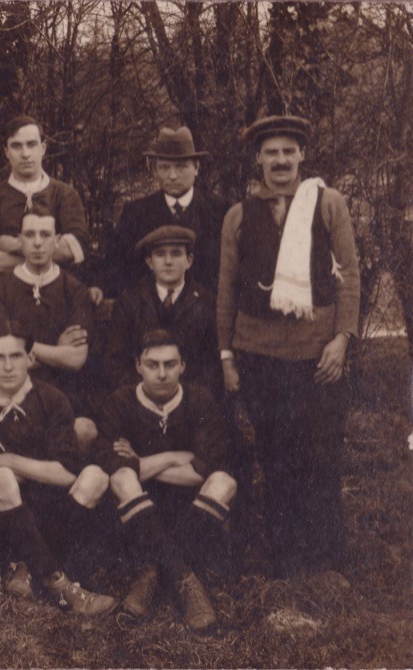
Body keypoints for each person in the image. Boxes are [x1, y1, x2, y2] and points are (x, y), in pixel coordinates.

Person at [217, 115, 360, 580]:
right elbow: (226, 291)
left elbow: (351, 277)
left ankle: (327, 558)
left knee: (320, 453)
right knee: (276, 456)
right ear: (257, 158)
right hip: (260, 357)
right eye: (271, 152)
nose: (280, 160)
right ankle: (286, 556)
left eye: (288, 151)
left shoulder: (328, 204)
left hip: (319, 357)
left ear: (302, 155)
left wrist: (341, 340)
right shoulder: (238, 215)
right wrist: (227, 356)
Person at [0, 320, 115, 615]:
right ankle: (60, 584)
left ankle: (27, 568)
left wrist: (8, 460)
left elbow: (66, 472)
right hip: (1, 515)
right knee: (2, 479)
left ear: (30, 358)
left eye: (16, 356)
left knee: (96, 477)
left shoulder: (51, 399)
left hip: (51, 509)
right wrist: (18, 472)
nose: (8, 366)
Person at [95, 330, 236, 630]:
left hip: (190, 511)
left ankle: (153, 574)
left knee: (224, 482)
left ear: (183, 365)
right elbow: (111, 463)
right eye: (152, 364)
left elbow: (205, 467)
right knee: (121, 477)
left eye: (170, 364)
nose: (161, 373)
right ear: (138, 366)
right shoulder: (120, 402)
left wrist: (139, 461)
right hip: (138, 517)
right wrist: (176, 457)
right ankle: (185, 579)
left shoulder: (200, 400)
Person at [0, 205, 97, 449]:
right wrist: (56, 349)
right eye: (30, 235)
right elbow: (2, 357)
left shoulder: (74, 289)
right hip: (11, 391)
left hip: (61, 392)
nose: (37, 243)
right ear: (19, 240)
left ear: (56, 241)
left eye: (45, 235)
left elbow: (75, 358)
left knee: (84, 430)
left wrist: (22, 348)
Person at [103, 126, 227, 298]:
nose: (173, 175)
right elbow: (115, 268)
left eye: (181, 167)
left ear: (196, 168)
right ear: (155, 170)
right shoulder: (135, 213)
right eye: (165, 167)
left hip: (204, 317)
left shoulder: (220, 211)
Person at [0, 116, 89, 283]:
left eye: (31, 144)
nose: (25, 154)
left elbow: (73, 251)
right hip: (6, 297)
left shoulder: (66, 195)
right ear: (6, 152)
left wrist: (13, 245)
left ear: (43, 148)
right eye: (16, 146)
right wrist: (47, 251)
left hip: (56, 296)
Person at [105, 226, 219, 394]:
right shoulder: (129, 301)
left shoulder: (207, 302)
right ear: (150, 262)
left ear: (189, 260)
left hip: (191, 402)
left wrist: (185, 399)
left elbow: (212, 364)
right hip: (140, 399)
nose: (168, 261)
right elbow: (116, 360)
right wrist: (144, 395)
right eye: (160, 254)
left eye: (176, 253)